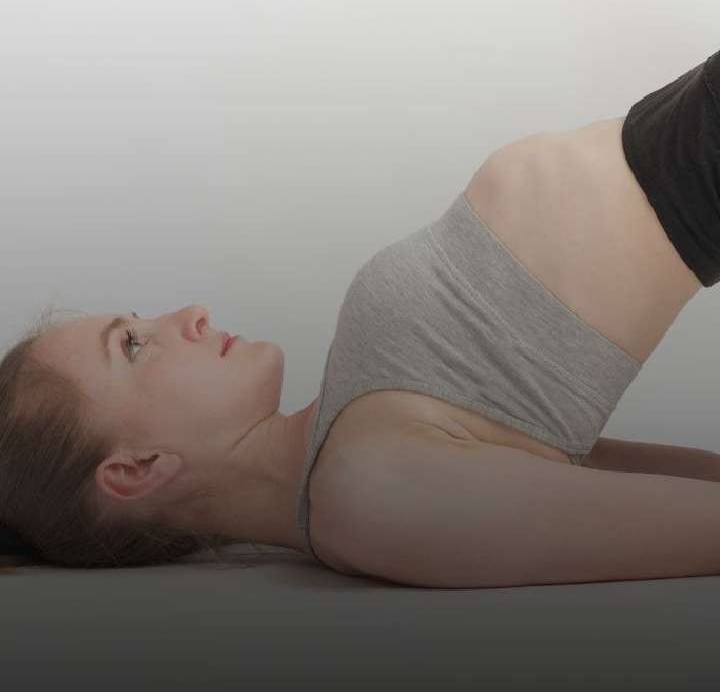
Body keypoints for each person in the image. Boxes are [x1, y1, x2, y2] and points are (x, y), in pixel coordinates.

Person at [1, 46, 720, 580]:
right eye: (132, 345)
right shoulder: (372, 501)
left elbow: (582, 469)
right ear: (136, 470)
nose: (187, 315)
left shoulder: (342, 439)